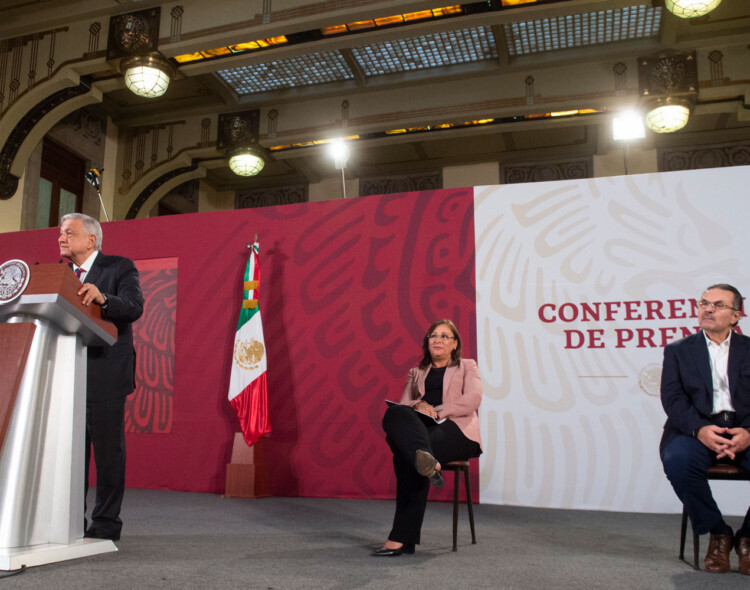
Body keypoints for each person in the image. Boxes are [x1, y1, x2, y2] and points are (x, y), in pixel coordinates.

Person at [58, 212, 144, 541]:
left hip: (105, 371)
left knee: (108, 453)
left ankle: (106, 522)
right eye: (60, 233)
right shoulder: (58, 274)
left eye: (68, 233)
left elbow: (134, 307)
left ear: (90, 240)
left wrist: (103, 298)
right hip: (66, 373)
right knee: (69, 452)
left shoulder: (119, 267)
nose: (61, 238)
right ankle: (67, 521)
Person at [660, 283, 750, 575]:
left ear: (736, 316)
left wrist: (748, 432)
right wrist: (700, 429)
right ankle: (718, 532)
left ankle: (748, 537)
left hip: (744, 428)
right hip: (694, 427)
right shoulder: (678, 351)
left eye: (719, 305)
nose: (708, 309)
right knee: (678, 460)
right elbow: (673, 399)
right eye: (704, 303)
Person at [374, 319, 482, 556]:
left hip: (457, 430)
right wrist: (420, 404)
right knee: (395, 413)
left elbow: (473, 400)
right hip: (423, 429)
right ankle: (427, 462)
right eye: (433, 335)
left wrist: (438, 410)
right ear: (427, 342)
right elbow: (404, 404)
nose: (438, 339)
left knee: (407, 455)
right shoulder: (416, 372)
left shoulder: (467, 366)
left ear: (454, 344)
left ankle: (401, 538)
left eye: (444, 336)